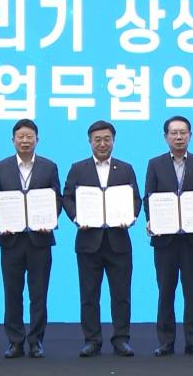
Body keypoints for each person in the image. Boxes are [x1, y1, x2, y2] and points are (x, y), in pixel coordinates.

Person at [62, 120, 142, 357]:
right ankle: (92, 340)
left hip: (119, 241)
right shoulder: (78, 168)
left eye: (107, 139)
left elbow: (136, 199)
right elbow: (67, 198)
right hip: (88, 241)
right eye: (97, 140)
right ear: (90, 142)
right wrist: (77, 217)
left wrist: (131, 216)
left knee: (121, 295)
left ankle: (121, 339)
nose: (102, 144)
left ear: (113, 141)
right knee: (89, 295)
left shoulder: (125, 169)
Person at [0, 119, 62, 359]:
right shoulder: (1, 167)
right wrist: (0, 222)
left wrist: (49, 219)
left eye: (29, 136)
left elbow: (57, 199)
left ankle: (36, 341)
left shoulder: (49, 167)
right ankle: (15, 341)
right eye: (20, 137)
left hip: (40, 240)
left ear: (37, 140)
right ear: (13, 140)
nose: (25, 140)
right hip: (11, 241)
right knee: (12, 293)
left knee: (38, 294)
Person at [144, 116, 193, 357]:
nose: (179, 137)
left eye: (183, 132)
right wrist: (151, 220)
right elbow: (149, 197)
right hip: (165, 239)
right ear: (166, 137)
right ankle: (166, 341)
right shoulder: (155, 164)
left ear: (190, 136)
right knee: (166, 291)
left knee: (192, 291)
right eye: (174, 133)